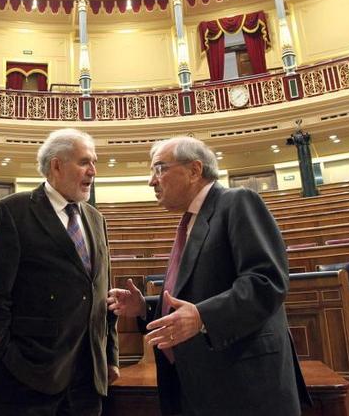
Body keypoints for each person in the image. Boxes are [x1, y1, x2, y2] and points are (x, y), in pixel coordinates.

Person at [107, 136, 309, 416]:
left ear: (194, 170)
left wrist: (203, 317)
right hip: (201, 385)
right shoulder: (191, 220)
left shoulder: (237, 201)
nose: (152, 181)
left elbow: (266, 281)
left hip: (243, 386)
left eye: (159, 169)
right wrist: (145, 307)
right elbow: (196, 296)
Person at [0, 128, 119, 416]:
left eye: (94, 162)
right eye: (84, 162)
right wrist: (7, 357)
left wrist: (109, 356)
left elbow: (103, 293)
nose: (93, 171)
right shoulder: (13, 211)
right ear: (56, 165)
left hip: (86, 381)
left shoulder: (95, 218)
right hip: (28, 380)